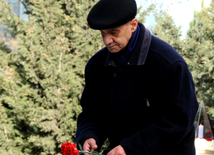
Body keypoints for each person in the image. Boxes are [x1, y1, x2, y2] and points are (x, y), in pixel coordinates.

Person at [76, 0, 199, 154]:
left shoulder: (168, 63)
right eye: (103, 33)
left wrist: (130, 148)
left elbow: (179, 121)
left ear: (133, 25)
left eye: (114, 32)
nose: (107, 40)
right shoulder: (96, 66)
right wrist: (88, 135)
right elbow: (91, 111)